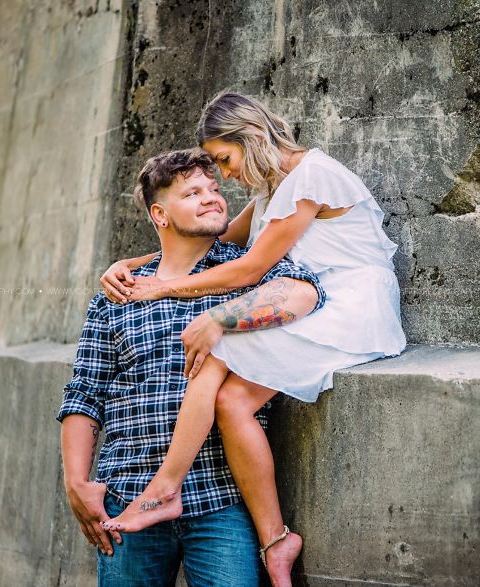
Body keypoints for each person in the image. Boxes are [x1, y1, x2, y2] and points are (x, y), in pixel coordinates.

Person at [99, 92, 407, 586]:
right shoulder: (273, 192)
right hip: (319, 300)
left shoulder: (311, 176)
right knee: (233, 402)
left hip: (352, 303)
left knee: (216, 344)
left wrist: (163, 288)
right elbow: (216, 244)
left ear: (251, 137)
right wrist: (134, 265)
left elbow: (250, 268)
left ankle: (166, 486)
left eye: (225, 158)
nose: (226, 174)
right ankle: (277, 540)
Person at [57, 148, 326, 586]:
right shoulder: (119, 296)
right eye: (193, 192)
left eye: (215, 188)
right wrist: (75, 481)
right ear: (160, 214)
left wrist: (221, 317)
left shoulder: (243, 273)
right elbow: (85, 392)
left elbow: (305, 292)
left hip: (219, 497)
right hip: (127, 491)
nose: (212, 198)